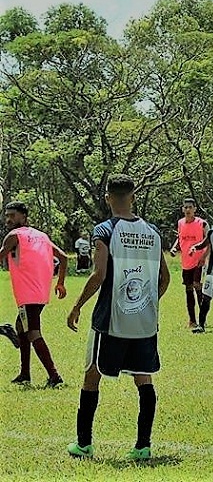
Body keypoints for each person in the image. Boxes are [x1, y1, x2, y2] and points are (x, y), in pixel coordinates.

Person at [66, 174, 170, 460]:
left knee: (91, 376)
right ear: (133, 197)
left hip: (109, 321)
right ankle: (143, 446)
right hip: (145, 322)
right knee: (144, 379)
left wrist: (76, 305)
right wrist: (146, 303)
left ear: (108, 197)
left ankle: (84, 444)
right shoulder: (152, 232)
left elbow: (98, 274)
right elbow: (165, 278)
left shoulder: (104, 230)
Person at [0, 201, 68, 386]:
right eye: (7, 215)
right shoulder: (42, 236)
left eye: (12, 215)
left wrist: (61, 282)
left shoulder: (14, 236)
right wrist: (60, 283)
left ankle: (55, 377)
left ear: (24, 216)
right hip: (39, 292)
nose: (8, 219)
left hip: (27, 294)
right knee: (21, 328)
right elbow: (63, 257)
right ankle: (24, 374)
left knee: (32, 332)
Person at [169, 198, 208, 328]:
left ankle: (202, 319)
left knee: (197, 286)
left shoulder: (201, 223)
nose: (187, 210)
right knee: (188, 289)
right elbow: (179, 238)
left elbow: (210, 242)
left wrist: (204, 257)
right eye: (185, 207)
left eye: (190, 207)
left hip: (199, 261)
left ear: (195, 209)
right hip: (186, 262)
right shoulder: (180, 223)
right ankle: (192, 320)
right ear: (182, 209)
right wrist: (175, 248)